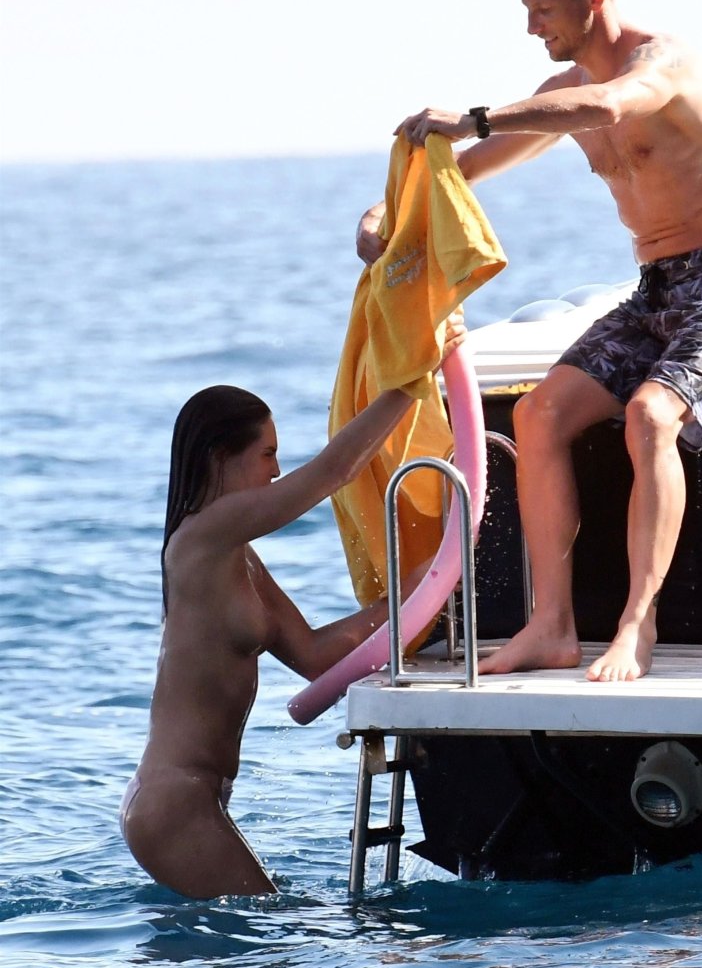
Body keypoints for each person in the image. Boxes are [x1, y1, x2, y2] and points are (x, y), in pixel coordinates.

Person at [357, 0, 702, 684]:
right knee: (537, 415)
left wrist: (476, 115)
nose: (532, 27)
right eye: (526, 9)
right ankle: (551, 626)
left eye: (545, 9)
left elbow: (611, 106)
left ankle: (636, 625)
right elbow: (463, 171)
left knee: (651, 416)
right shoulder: (558, 95)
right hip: (655, 288)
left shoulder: (662, 64)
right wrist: (384, 214)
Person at [120, 315, 465, 899]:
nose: (277, 470)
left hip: (196, 800)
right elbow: (334, 471)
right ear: (220, 457)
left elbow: (316, 655)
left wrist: (418, 588)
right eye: (267, 454)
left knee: (270, 923)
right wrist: (411, 381)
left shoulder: (242, 560)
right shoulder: (201, 537)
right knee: (273, 933)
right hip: (173, 803)